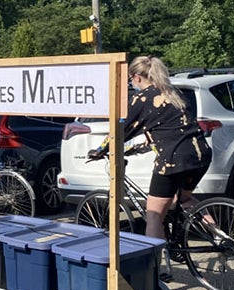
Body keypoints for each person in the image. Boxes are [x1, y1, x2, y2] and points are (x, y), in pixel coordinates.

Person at [89, 56, 212, 241]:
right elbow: (169, 127)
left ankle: (155, 262)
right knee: (185, 199)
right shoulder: (174, 92)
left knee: (153, 213)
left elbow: (119, 131)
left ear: (137, 77)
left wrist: (100, 150)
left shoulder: (141, 98)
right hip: (200, 154)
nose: (132, 83)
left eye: (131, 79)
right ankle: (219, 236)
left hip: (172, 160)